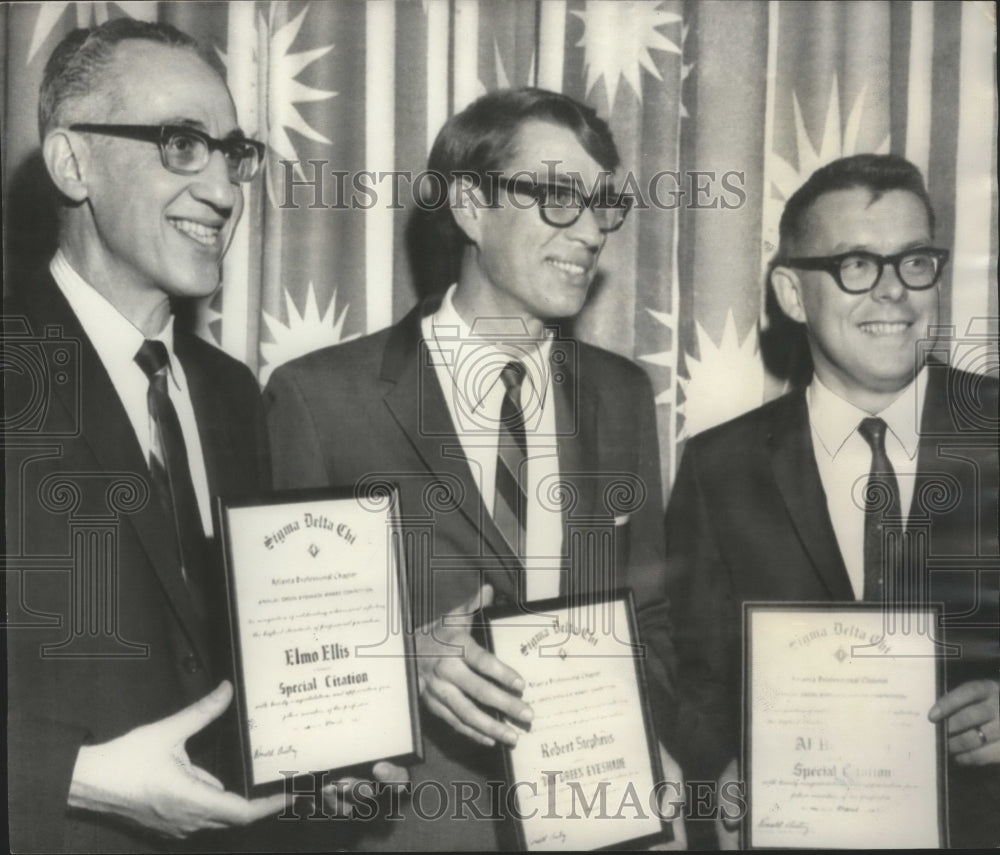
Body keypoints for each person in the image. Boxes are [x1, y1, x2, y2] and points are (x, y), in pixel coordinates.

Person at [265, 87, 681, 850]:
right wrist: (404, 657)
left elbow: (650, 620)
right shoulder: (319, 399)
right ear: (469, 205)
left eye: (603, 203)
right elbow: (286, 670)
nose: (590, 231)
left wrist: (642, 740)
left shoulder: (621, 396)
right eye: (558, 196)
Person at [3, 19, 355, 852]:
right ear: (72, 162)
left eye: (232, 152)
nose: (226, 190)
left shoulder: (233, 394)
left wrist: (328, 746)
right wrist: (80, 777)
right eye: (180, 144)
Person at [665, 153, 999, 848]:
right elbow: (686, 665)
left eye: (914, 262)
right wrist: (717, 769)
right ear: (792, 293)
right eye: (856, 265)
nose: (894, 293)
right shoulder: (718, 467)